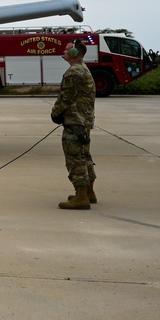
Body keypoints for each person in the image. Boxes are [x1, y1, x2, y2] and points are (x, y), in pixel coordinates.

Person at [51, 39, 96, 210]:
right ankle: (88, 192)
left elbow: (66, 98)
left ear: (75, 53)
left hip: (75, 122)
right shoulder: (83, 69)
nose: (63, 51)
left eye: (67, 49)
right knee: (84, 156)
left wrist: (55, 113)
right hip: (83, 121)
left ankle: (81, 196)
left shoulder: (73, 72)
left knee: (75, 158)